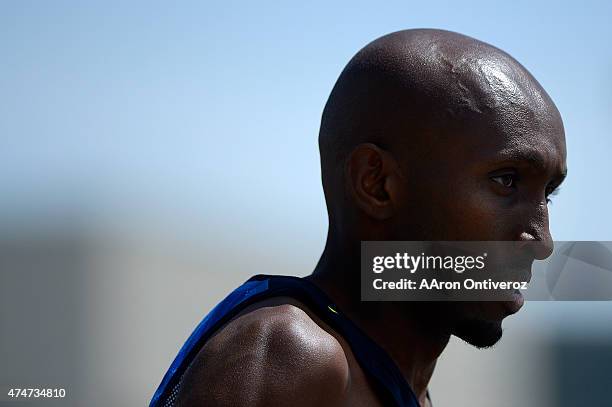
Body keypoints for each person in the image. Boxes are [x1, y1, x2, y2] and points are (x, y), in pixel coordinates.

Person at [150, 28, 567, 407]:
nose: (543, 240)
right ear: (377, 183)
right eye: (507, 181)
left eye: (548, 193)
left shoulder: (385, 382)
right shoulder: (295, 356)